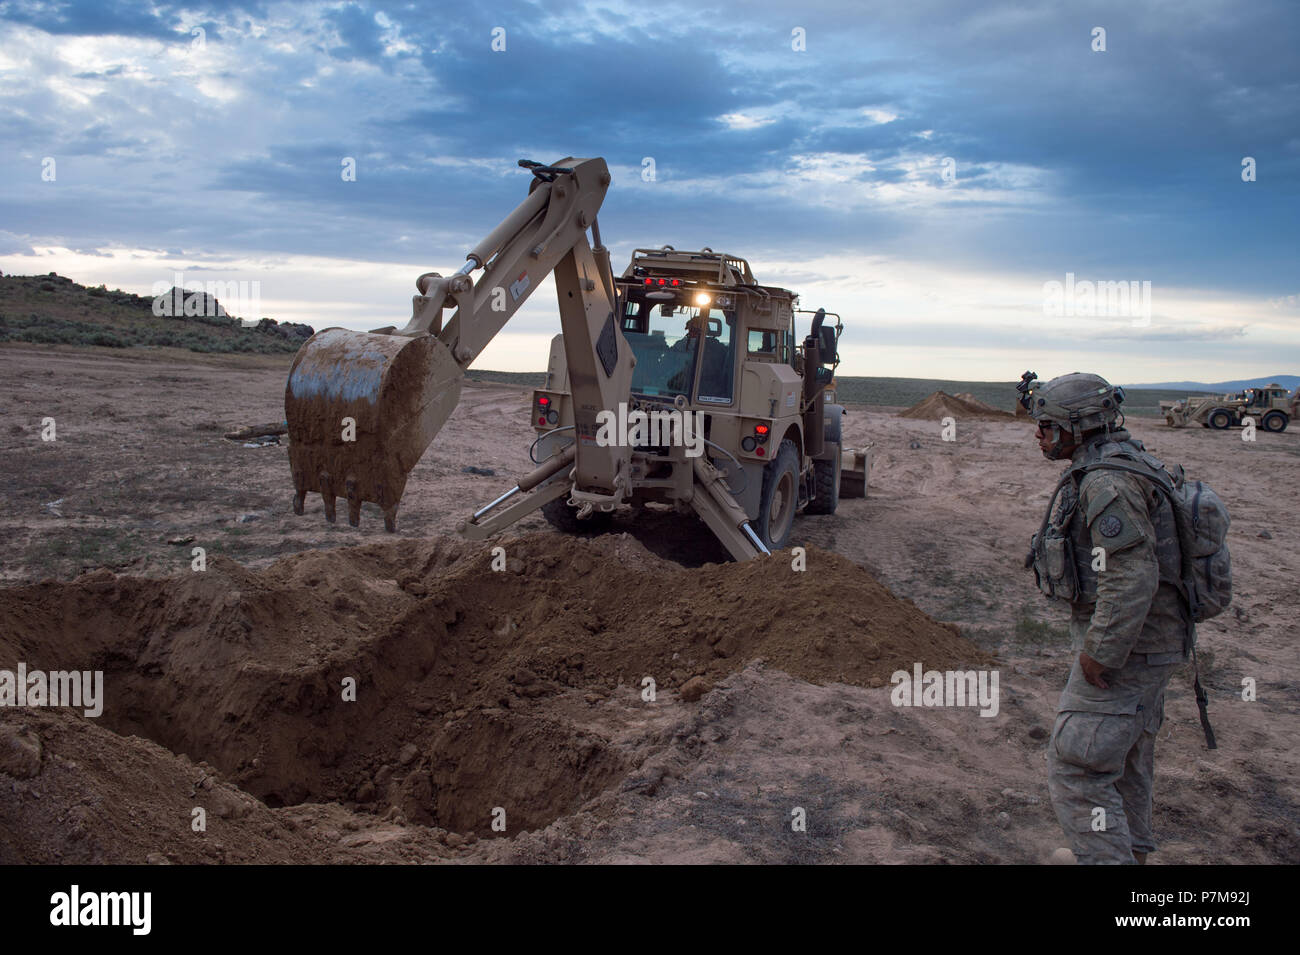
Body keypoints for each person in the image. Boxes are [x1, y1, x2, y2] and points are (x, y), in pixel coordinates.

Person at [1021, 371, 1190, 865]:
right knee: (1128, 761)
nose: (1039, 435)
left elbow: (1131, 574)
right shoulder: (1126, 460)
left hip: (1129, 651)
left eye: (1048, 425)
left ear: (1079, 426)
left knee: (1079, 770)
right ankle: (1131, 855)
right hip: (1156, 643)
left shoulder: (1108, 481)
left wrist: (1102, 650)